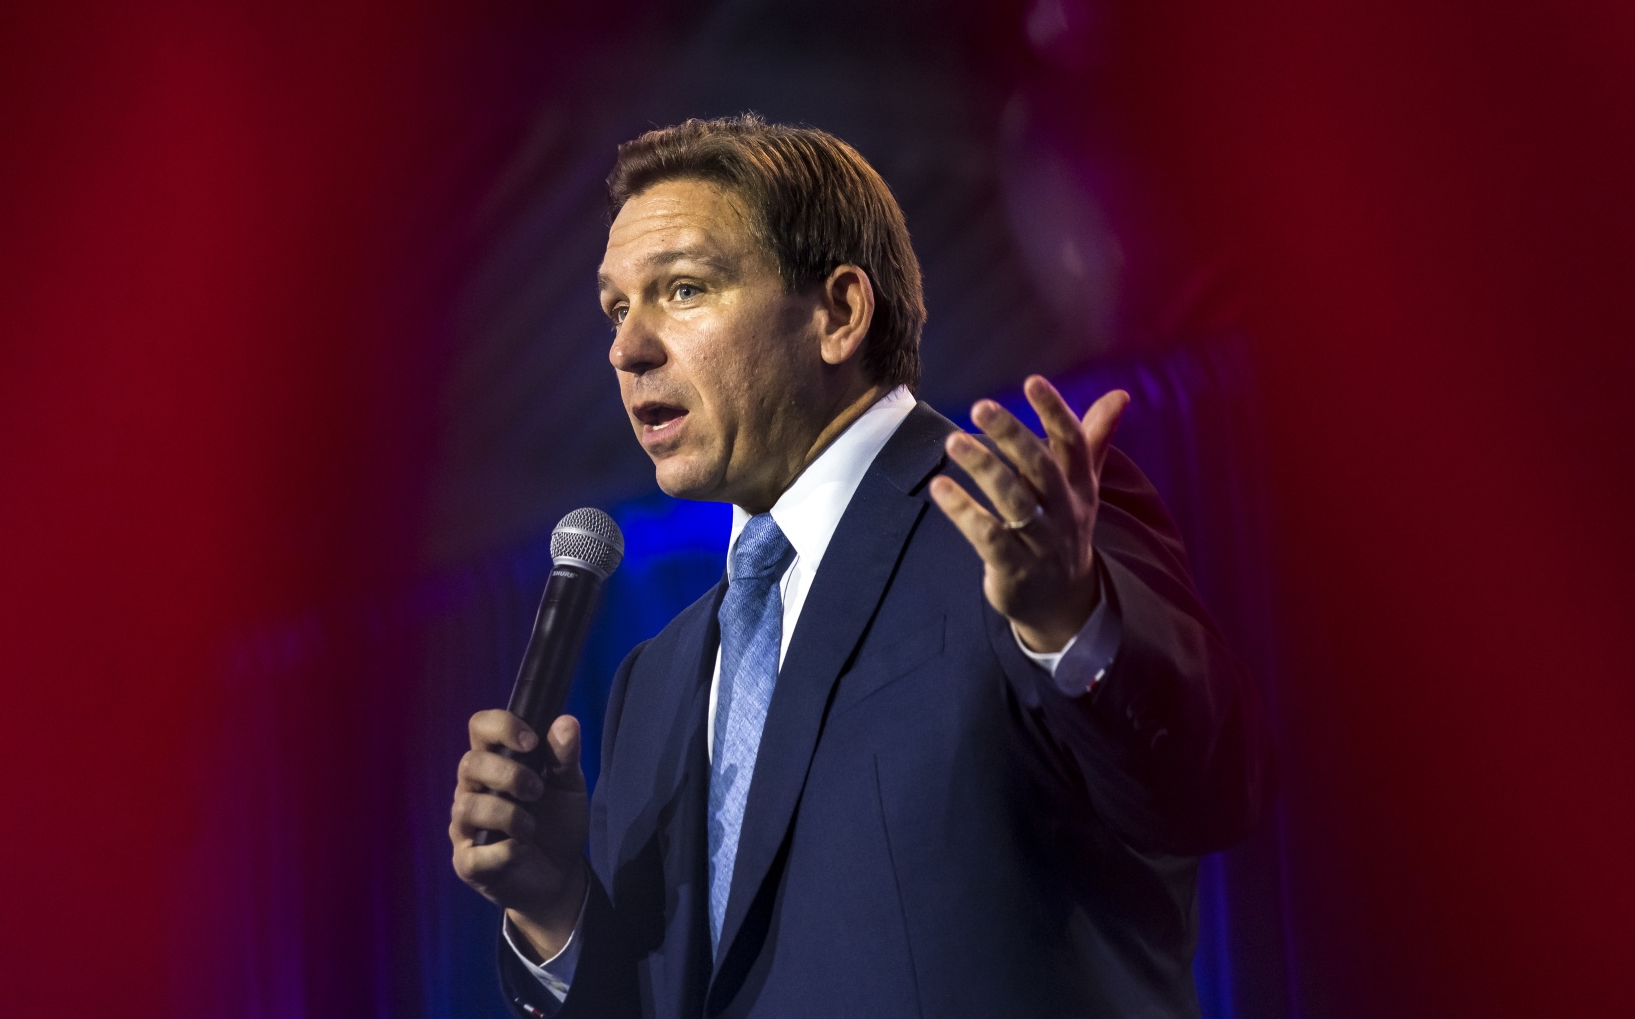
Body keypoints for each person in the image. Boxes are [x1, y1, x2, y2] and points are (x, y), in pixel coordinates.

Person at [448, 115, 1273, 1018]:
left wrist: (1070, 627)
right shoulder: (653, 681)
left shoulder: (1021, 526)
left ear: (839, 314)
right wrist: (553, 905)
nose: (626, 348)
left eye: (683, 289)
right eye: (616, 308)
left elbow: (1208, 791)